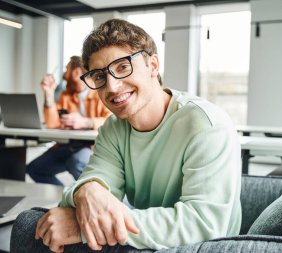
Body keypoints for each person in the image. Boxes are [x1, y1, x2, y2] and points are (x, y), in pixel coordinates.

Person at [11, 19, 241, 252]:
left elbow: (204, 225)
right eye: (99, 76)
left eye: (122, 67)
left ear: (153, 66)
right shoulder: (114, 127)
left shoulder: (207, 124)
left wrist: (83, 227)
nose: (112, 86)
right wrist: (85, 190)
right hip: (147, 244)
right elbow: (95, 179)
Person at [26, 56, 112, 186]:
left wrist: (86, 122)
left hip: (92, 147)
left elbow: (112, 120)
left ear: (77, 72)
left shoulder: (99, 92)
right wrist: (48, 94)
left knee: (76, 162)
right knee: (35, 169)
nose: (64, 74)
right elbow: (52, 124)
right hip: (67, 145)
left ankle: (100, 197)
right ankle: (69, 197)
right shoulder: (65, 95)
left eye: (67, 69)